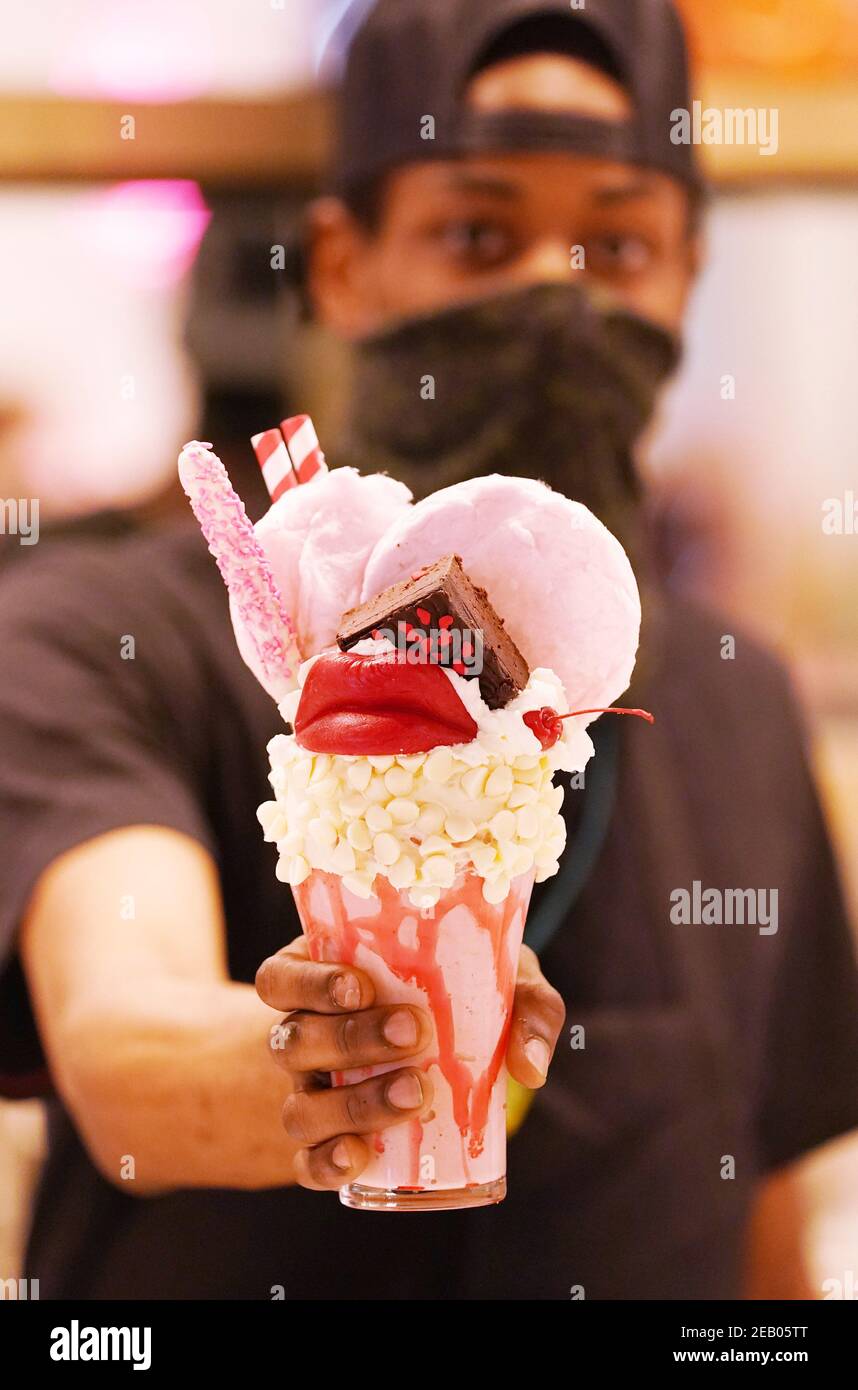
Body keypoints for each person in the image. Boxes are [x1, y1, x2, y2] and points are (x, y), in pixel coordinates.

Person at [0, 0, 856, 1301]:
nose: (552, 292)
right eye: (477, 232)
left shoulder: (733, 701)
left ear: (686, 270)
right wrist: (321, 1061)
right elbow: (125, 1050)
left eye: (615, 241)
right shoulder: (115, 637)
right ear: (342, 265)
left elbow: (767, 1236)